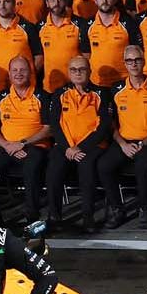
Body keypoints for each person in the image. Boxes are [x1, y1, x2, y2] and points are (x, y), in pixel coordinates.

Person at [0, 55, 54, 224]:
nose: (18, 73)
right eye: (15, 70)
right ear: (9, 74)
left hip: (35, 145)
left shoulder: (42, 96)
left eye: (23, 70)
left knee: (31, 169)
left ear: (30, 72)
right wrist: (7, 145)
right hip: (7, 146)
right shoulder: (0, 97)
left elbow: (49, 129)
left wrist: (22, 144)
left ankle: (32, 215)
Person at [46, 54, 113, 231]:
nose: (78, 73)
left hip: (91, 146)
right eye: (74, 70)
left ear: (89, 71)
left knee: (87, 168)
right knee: (54, 168)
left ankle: (88, 217)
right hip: (65, 146)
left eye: (82, 69)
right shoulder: (60, 94)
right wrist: (68, 147)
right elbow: (55, 124)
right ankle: (54, 216)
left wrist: (79, 148)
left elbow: (104, 127)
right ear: (68, 72)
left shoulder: (101, 94)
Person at [108, 45, 147, 228]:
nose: (134, 64)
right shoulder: (115, 89)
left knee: (142, 166)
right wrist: (122, 144)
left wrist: (144, 142)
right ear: (124, 63)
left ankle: (144, 209)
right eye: (129, 60)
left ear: (144, 61)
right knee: (103, 166)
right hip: (124, 142)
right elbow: (110, 124)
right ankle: (118, 209)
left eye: (137, 60)